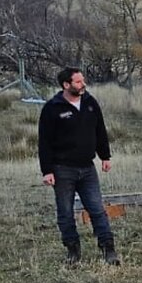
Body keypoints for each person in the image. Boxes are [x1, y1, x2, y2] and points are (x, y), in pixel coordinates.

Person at [38, 67, 120, 265]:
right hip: (62, 169)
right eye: (77, 82)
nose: (83, 84)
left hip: (87, 168)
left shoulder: (90, 103)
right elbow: (44, 142)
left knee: (97, 209)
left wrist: (105, 156)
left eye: (83, 81)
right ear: (66, 85)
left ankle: (108, 249)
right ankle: (73, 251)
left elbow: (100, 130)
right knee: (65, 212)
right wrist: (47, 170)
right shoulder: (52, 108)